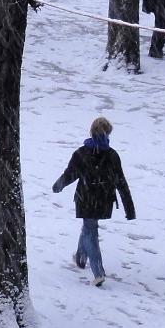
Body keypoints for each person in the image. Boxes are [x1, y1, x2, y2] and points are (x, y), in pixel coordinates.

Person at [52, 116, 136, 287]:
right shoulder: (112, 155)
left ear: (91, 132)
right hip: (104, 200)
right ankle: (80, 257)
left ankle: (98, 272)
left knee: (90, 229)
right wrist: (129, 208)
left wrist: (59, 184)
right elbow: (121, 182)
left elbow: (70, 174)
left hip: (85, 198)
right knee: (89, 227)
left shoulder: (81, 153)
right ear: (108, 133)